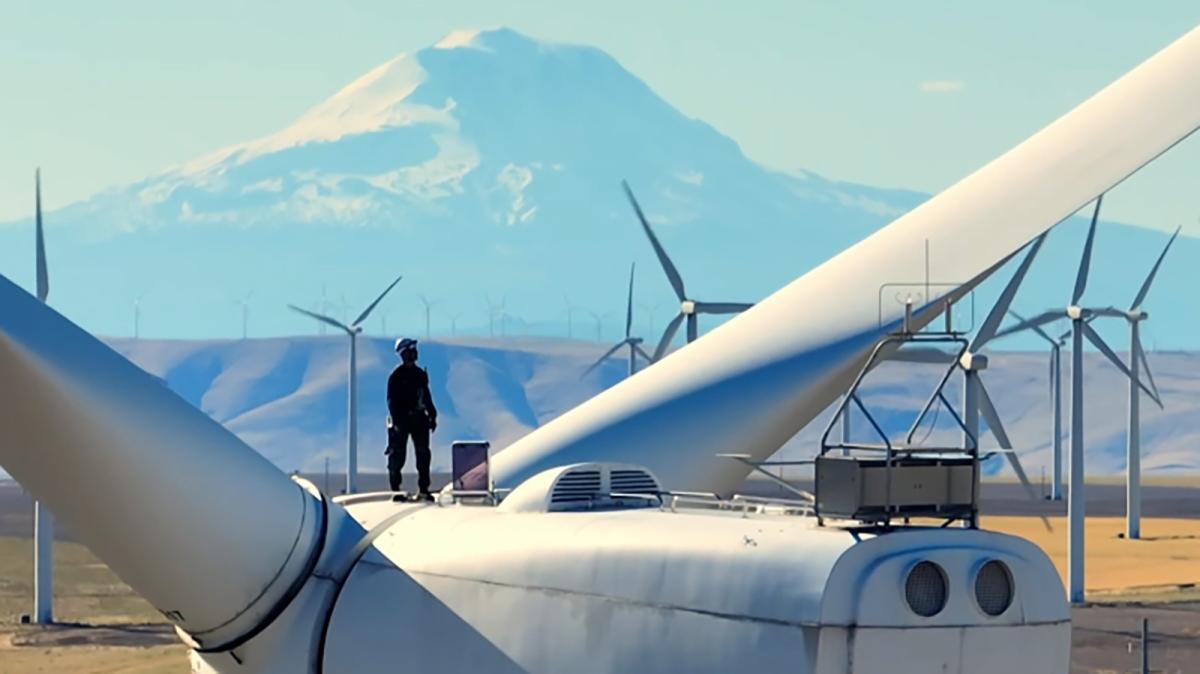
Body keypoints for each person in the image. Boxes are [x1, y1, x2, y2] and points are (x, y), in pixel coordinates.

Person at [386, 338, 438, 499]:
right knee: (397, 456)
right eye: (410, 350)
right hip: (402, 421)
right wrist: (397, 421)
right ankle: (396, 490)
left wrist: (432, 414)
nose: (414, 353)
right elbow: (391, 401)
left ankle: (424, 489)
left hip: (419, 419)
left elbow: (426, 395)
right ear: (403, 354)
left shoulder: (420, 374)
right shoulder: (396, 376)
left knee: (423, 455)